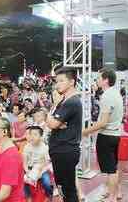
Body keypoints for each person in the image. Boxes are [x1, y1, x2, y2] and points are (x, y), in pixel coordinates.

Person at [83, 68, 124, 202]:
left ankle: (111, 197)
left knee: (110, 169)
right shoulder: (116, 93)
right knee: (113, 167)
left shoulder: (107, 96)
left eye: (99, 78)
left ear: (106, 79)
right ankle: (116, 193)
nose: (97, 80)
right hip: (115, 134)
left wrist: (85, 132)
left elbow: (103, 122)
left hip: (106, 135)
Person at [47, 67, 82, 202]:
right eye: (57, 81)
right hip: (60, 151)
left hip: (65, 151)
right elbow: (54, 123)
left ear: (72, 82)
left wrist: (52, 118)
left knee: (68, 190)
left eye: (61, 81)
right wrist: (54, 118)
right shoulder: (64, 101)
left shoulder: (71, 102)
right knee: (64, 188)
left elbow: (52, 124)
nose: (58, 84)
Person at [23, 126, 53, 202]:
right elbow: (25, 161)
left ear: (41, 136)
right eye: (31, 134)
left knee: (47, 183)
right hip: (30, 169)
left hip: (41, 169)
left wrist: (40, 172)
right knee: (24, 180)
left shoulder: (45, 148)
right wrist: (27, 171)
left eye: (35, 134)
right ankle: (28, 197)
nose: (32, 137)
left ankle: (48, 195)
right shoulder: (27, 146)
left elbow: (47, 162)